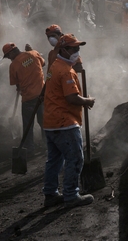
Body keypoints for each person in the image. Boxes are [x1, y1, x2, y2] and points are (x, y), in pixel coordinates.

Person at [42, 33, 95, 209]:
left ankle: (50, 194)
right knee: (75, 158)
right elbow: (72, 97)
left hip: (51, 122)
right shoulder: (64, 70)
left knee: (55, 160)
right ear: (64, 49)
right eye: (74, 48)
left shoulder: (56, 66)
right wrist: (87, 101)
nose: (77, 51)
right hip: (64, 122)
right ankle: (71, 196)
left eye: (78, 48)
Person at [3, 43, 46, 153]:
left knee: (28, 125)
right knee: (44, 121)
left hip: (28, 99)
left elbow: (16, 83)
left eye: (8, 56)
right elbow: (43, 64)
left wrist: (20, 87)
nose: (9, 59)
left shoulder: (13, 66)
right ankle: (47, 144)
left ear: (12, 52)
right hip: (42, 95)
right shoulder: (34, 53)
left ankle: (29, 148)